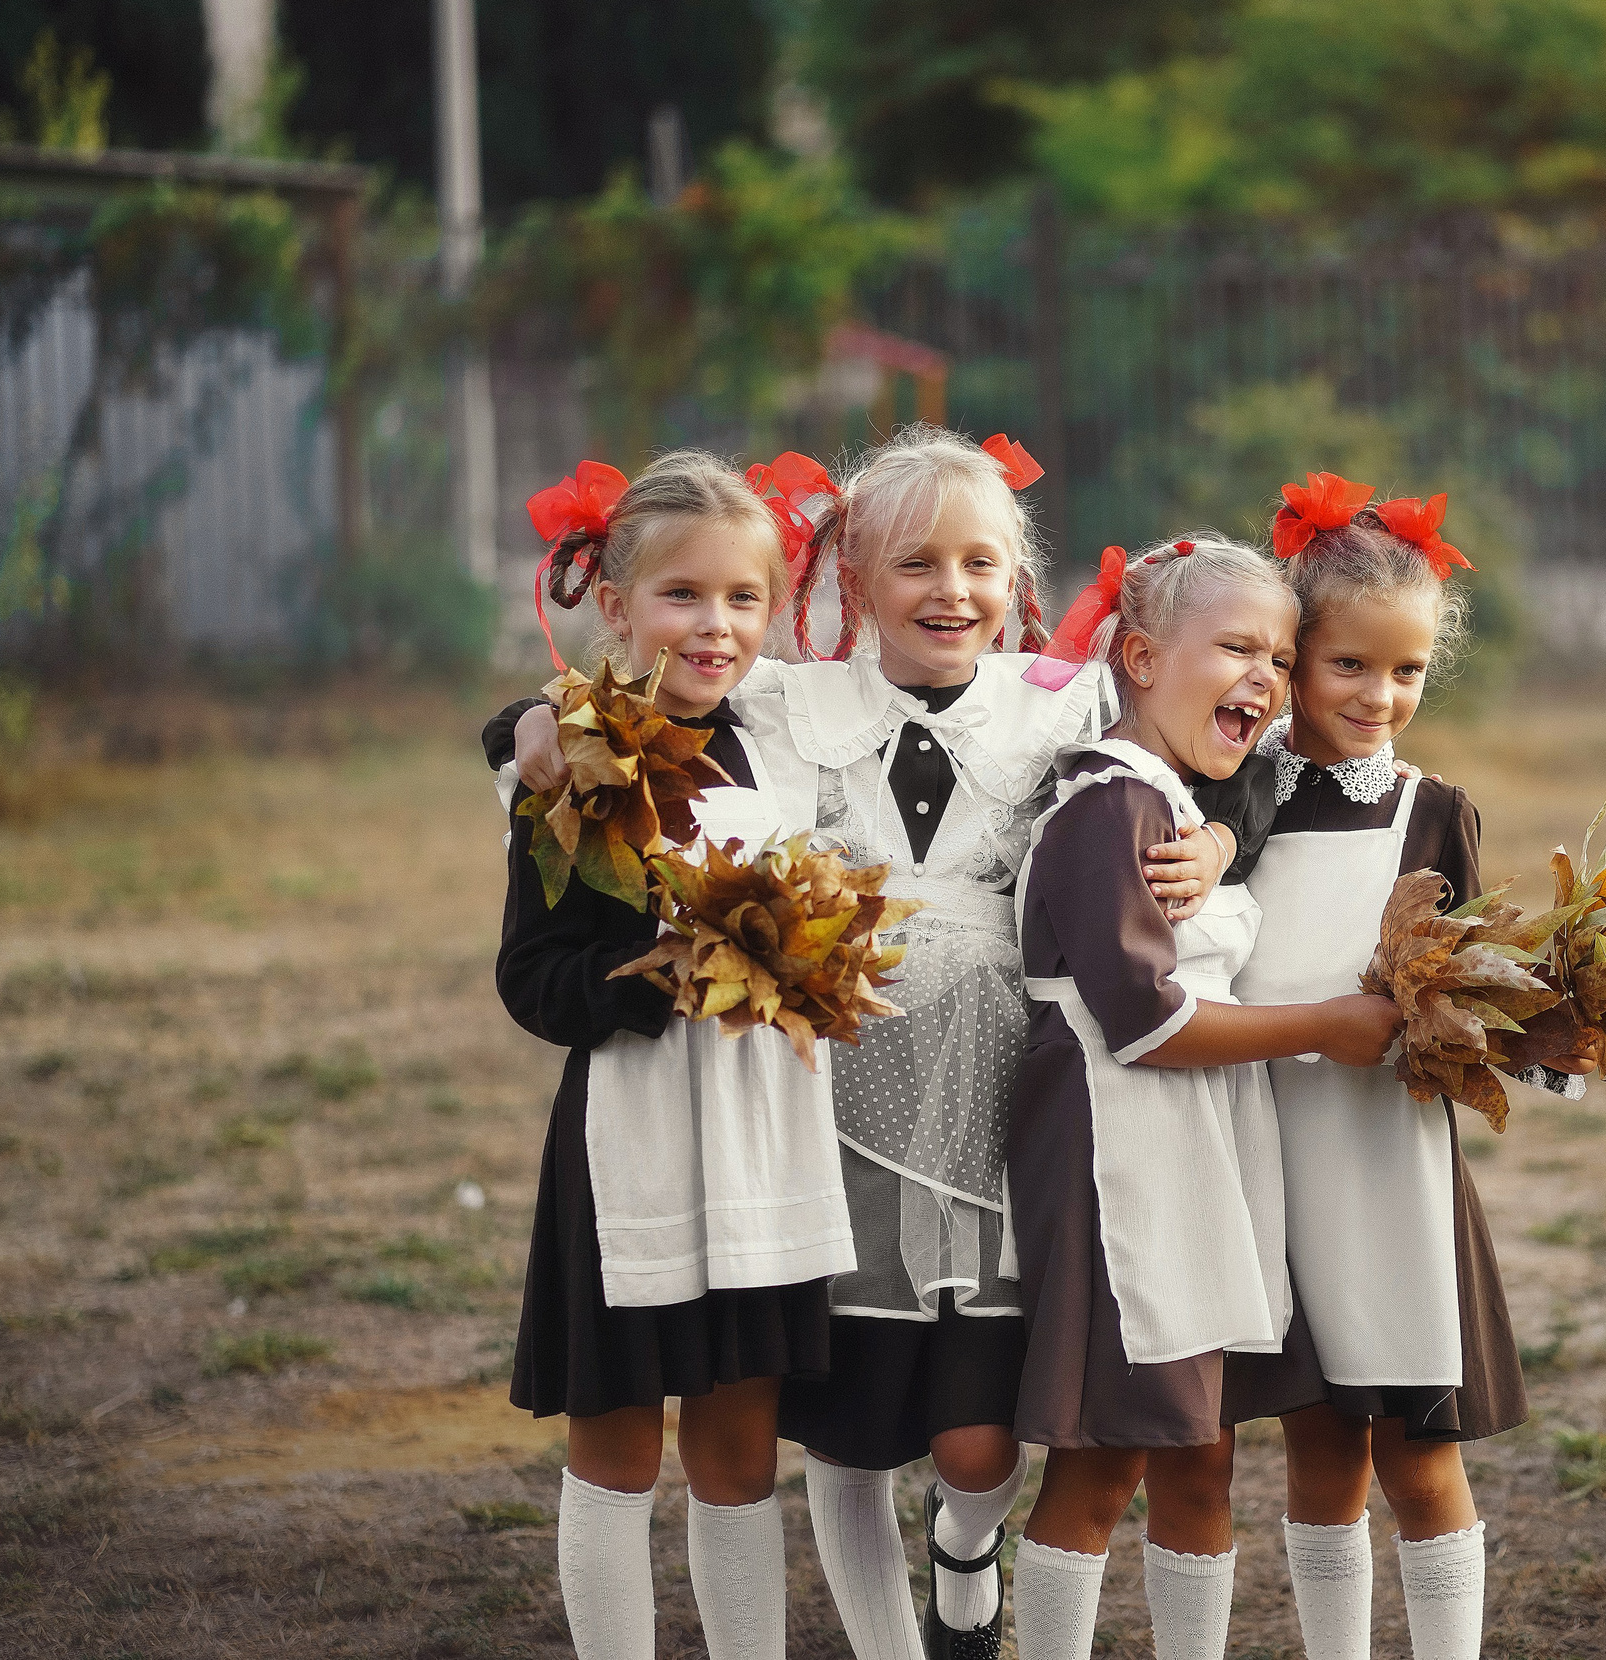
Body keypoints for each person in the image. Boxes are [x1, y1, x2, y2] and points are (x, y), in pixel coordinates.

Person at [491, 426, 1251, 1660]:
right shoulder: (783, 706)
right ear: (847, 580)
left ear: (1018, 579)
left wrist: (1211, 835)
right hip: (808, 1110)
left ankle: (965, 1562)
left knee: (958, 1434)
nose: (950, 591)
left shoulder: (1070, 706)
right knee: (833, 1428)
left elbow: (1209, 750)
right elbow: (604, 717)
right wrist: (529, 724)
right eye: (913, 565)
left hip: (983, 1097)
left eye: (979, 565)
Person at [1002, 534, 1402, 1660]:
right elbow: (1145, 1020)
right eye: (1236, 647)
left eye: (1279, 654)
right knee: (1104, 1460)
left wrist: (1226, 830)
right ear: (1136, 654)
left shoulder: (1187, 799)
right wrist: (1327, 1027)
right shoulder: (1106, 807)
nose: (1267, 679)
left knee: (1200, 1449)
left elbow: (1285, 769)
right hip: (1119, 1164)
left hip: (1197, 1159)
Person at [1224, 474, 1597, 1660]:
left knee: (1417, 1451)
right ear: (1291, 659)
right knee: (1318, 1445)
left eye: (1407, 673)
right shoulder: (1230, 800)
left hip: (1387, 1167)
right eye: (1348, 668)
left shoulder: (1434, 810)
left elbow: (1479, 974)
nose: (1380, 697)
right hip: (1265, 1151)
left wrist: (1550, 1043)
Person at [496, 448, 851, 1660]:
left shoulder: (784, 739)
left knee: (740, 1451)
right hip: (631, 1148)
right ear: (615, 600)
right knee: (614, 1448)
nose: (716, 625)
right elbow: (530, 978)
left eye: (743, 598)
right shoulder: (570, 768)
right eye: (682, 595)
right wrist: (661, 977)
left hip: (763, 1139)